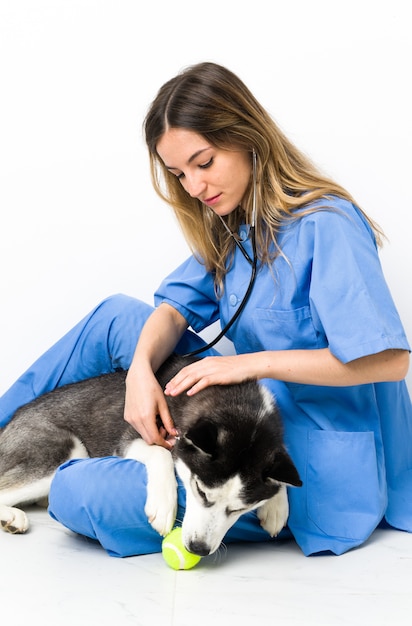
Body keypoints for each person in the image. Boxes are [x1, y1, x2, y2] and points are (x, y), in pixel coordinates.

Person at [1, 62, 411, 558]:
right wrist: (137, 377)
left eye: (204, 162)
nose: (194, 187)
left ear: (247, 137)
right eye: (179, 173)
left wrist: (249, 363)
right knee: (118, 317)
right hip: (242, 412)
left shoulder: (328, 225)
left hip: (292, 449)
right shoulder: (236, 222)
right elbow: (173, 310)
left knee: (80, 495)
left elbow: (390, 360)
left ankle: (84, 467)